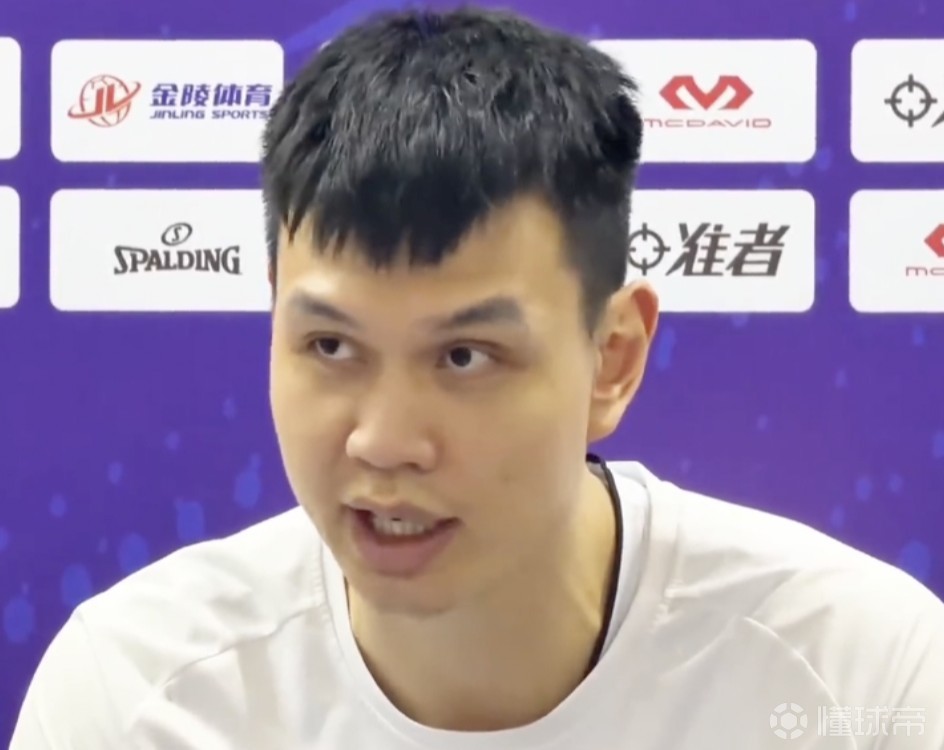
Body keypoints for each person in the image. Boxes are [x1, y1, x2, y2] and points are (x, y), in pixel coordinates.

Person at [11, 7, 944, 749]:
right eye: (330, 346)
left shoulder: (864, 677)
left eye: (464, 357)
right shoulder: (133, 694)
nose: (384, 441)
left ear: (613, 358)